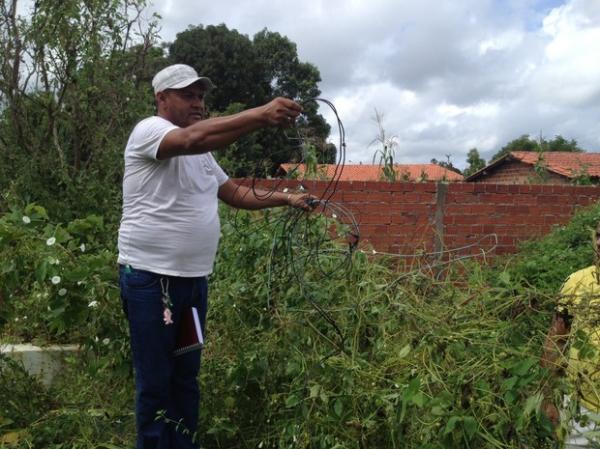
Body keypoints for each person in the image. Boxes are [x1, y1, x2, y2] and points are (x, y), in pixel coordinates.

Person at [118, 63, 313, 449]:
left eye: (201, 96)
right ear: (162, 99)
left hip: (193, 285)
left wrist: (287, 199)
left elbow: (234, 193)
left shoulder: (203, 154)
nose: (198, 103)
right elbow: (192, 140)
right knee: (156, 383)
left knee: (186, 378)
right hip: (151, 282)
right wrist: (260, 115)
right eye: (188, 95)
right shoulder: (150, 132)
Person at [542, 224, 600, 448]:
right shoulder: (576, 282)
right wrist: (549, 398)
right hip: (581, 409)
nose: (599, 242)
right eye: (598, 235)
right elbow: (555, 341)